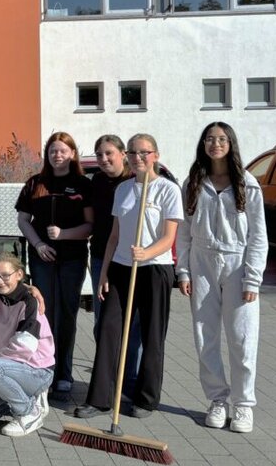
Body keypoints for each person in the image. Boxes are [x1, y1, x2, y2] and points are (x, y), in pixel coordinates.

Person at [76, 133, 183, 420]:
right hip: (121, 268)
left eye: (144, 153)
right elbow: (114, 235)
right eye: (133, 153)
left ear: (155, 155)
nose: (138, 158)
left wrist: (146, 254)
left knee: (151, 334)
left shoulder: (168, 190)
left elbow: (169, 237)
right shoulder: (122, 189)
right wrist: (104, 273)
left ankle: (146, 399)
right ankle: (100, 399)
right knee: (109, 330)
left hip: (155, 269)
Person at [176, 122, 267, 434]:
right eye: (210, 139)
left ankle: (243, 405)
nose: (215, 144)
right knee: (206, 336)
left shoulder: (247, 183)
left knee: (242, 339)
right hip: (202, 262)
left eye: (222, 139)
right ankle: (217, 400)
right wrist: (184, 271)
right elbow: (185, 231)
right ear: (203, 144)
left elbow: (258, 236)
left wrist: (253, 278)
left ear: (231, 143)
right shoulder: (194, 182)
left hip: (238, 263)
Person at [15, 131, 93, 399]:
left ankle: (64, 373)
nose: (57, 155)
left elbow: (90, 226)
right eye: (52, 151)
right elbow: (24, 220)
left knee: (68, 314)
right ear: (47, 155)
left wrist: (64, 234)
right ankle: (45, 367)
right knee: (44, 314)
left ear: (72, 153)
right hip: (42, 258)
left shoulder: (83, 184)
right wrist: (38, 244)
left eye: (62, 150)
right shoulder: (36, 183)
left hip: (72, 258)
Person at [0, 253, 55, 437]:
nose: (0, 281)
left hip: (37, 371)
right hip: (4, 368)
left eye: (6, 275)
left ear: (19, 274)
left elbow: (25, 346)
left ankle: (29, 411)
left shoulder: (29, 302)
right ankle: (12, 400)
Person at [89, 135, 142, 392]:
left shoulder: (134, 182)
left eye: (109, 153)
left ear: (123, 154)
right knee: (103, 323)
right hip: (101, 257)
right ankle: (106, 379)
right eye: (99, 154)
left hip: (131, 260)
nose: (103, 159)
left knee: (131, 326)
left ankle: (129, 381)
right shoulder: (96, 181)